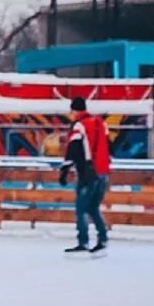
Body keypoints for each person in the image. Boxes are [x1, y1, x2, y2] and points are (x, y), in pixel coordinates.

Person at [59, 96, 110, 255]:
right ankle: (103, 239)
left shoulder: (79, 126)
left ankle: (83, 242)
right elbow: (109, 145)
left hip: (88, 172)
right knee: (93, 207)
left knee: (81, 209)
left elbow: (73, 149)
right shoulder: (100, 123)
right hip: (103, 171)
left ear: (75, 110)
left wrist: (65, 170)